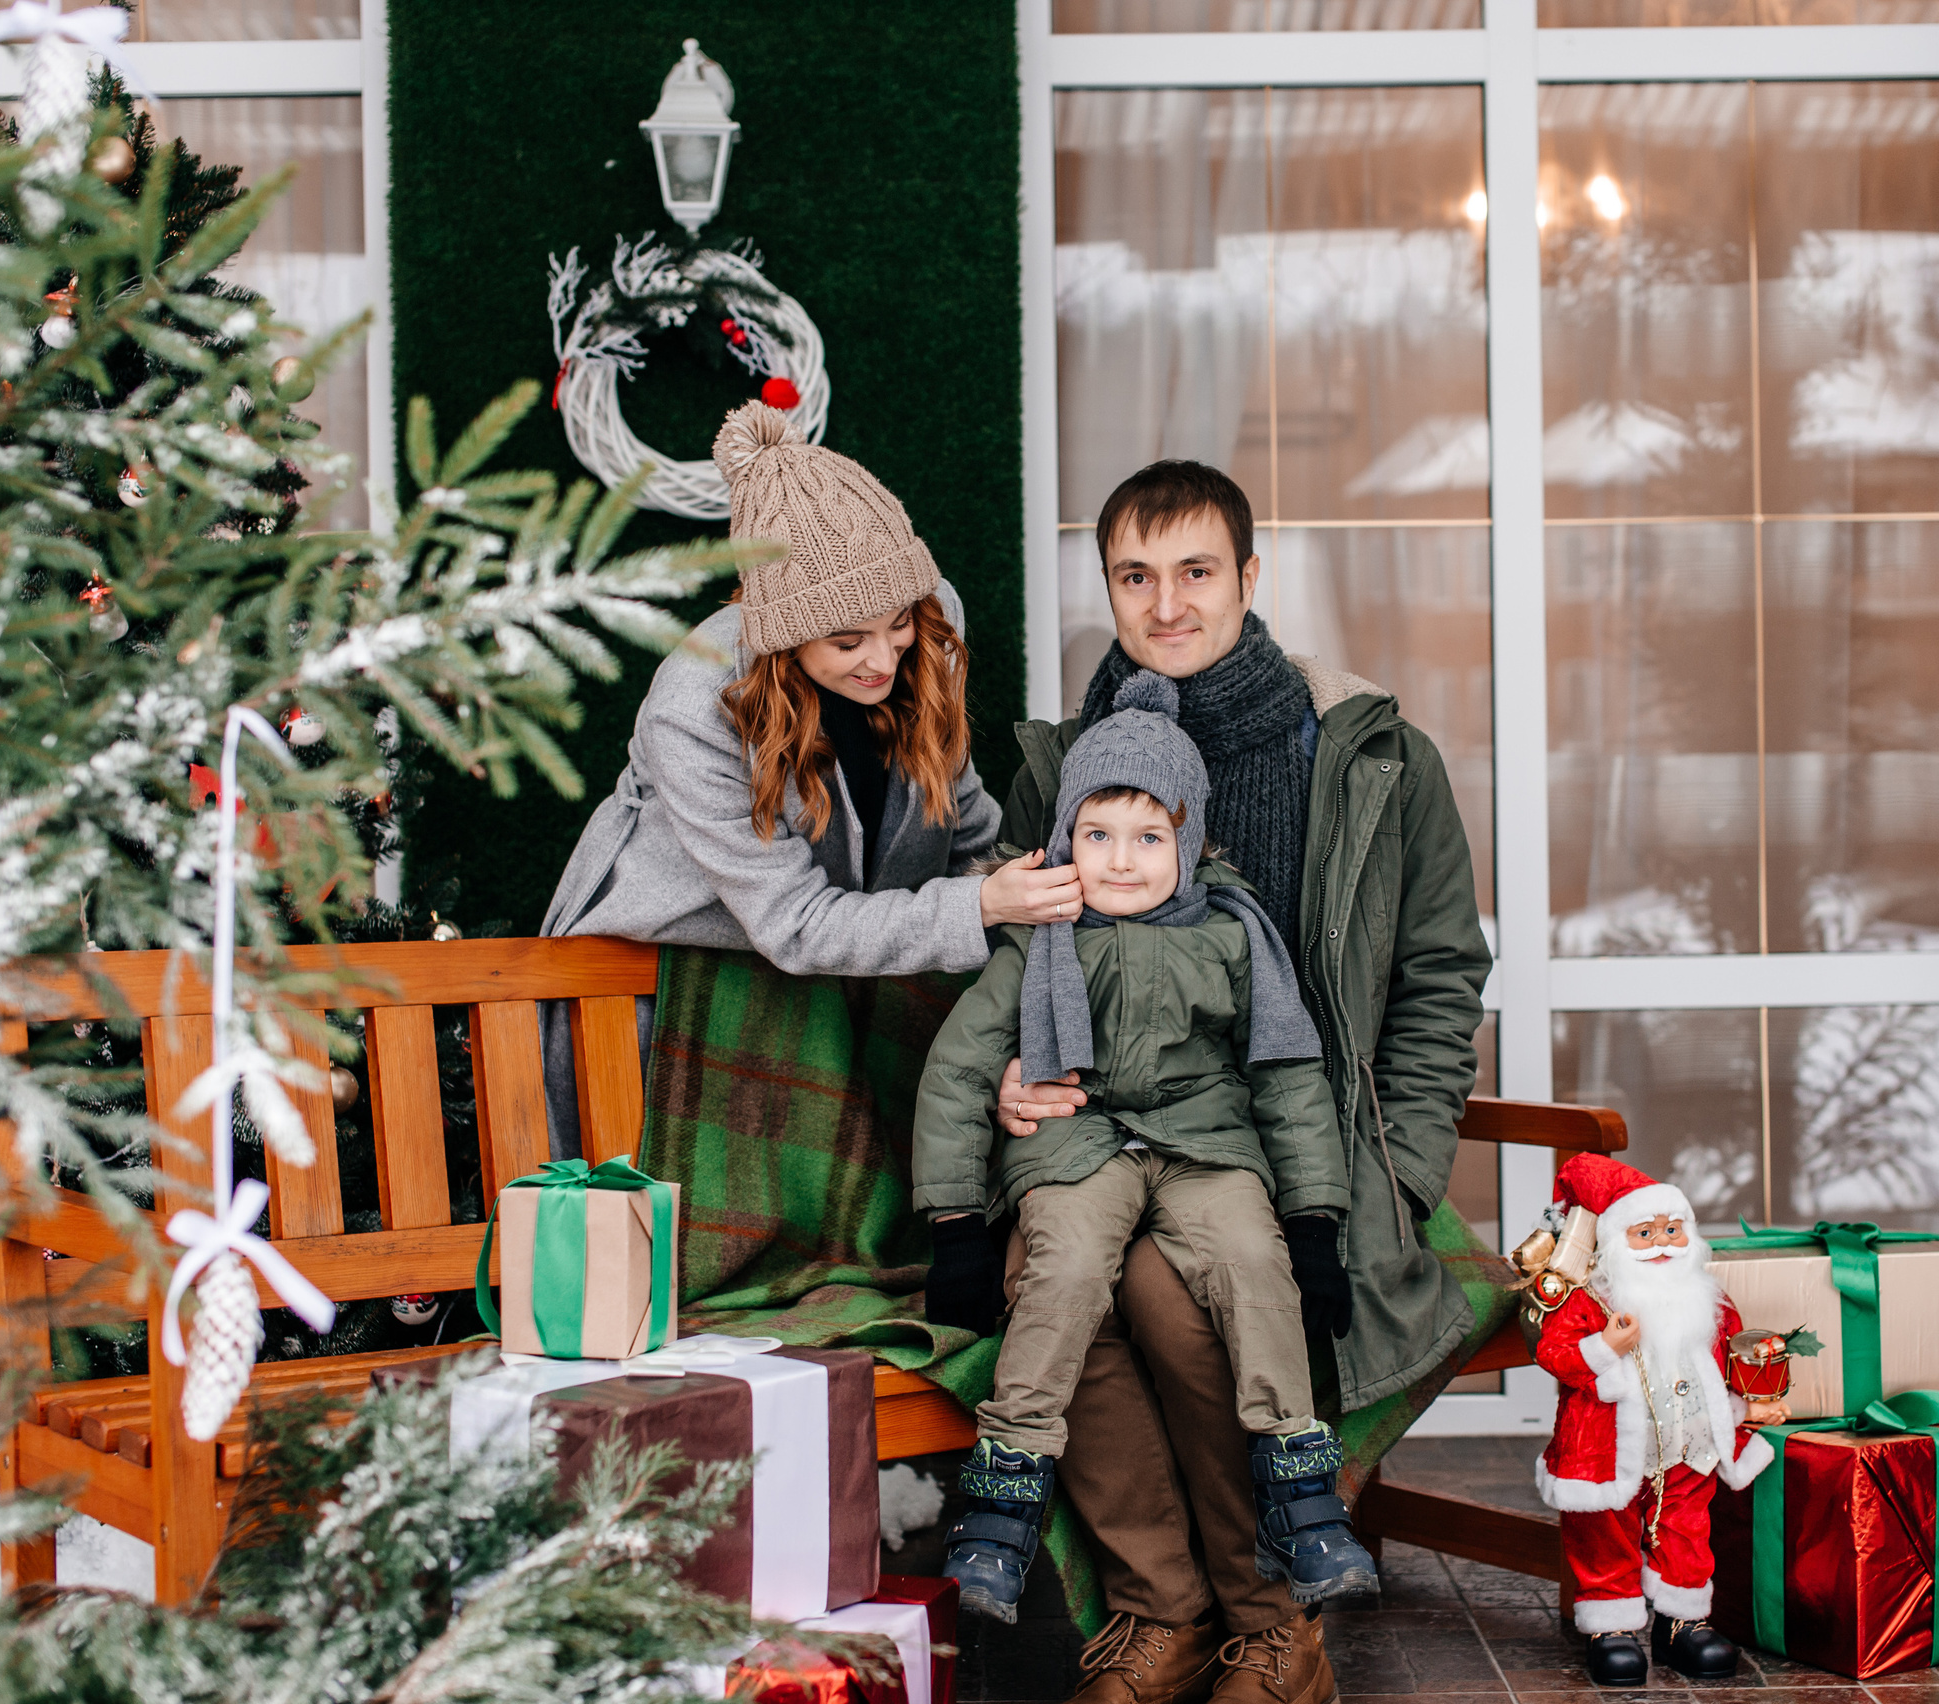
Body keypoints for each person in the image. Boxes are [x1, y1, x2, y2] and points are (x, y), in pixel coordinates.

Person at [992, 461, 1491, 1704]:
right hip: (1105, 1134)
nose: (1166, 604)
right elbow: (1014, 966)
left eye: (1196, 571)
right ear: (1106, 588)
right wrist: (1010, 1075)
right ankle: (1162, 1610)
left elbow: (1440, 976)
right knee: (1050, 1277)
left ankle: (1273, 1626)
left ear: (1249, 576)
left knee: (1170, 1298)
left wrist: (1402, 1169)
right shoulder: (1057, 770)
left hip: (1305, 1144)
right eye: (1135, 576)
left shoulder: (1370, 755)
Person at [910, 672, 1374, 1626]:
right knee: (1066, 1267)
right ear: (1063, 840)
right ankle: (1003, 1502)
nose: (1121, 862)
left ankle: (1300, 1492)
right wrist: (955, 1225)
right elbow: (958, 1070)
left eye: (1149, 837)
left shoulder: (1232, 937)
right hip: (1074, 1143)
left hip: (1205, 1142)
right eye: (1098, 835)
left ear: (1190, 842)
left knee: (1252, 1262)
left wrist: (1313, 1220)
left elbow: (1287, 1078)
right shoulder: (1039, 938)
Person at [537, 401, 1079, 1152]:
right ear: (783, 638)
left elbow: (964, 826)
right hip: (666, 977)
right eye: (848, 641)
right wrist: (980, 905)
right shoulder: (695, 705)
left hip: (836, 968)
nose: (883, 660)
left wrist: (1026, 883)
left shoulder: (930, 631)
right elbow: (793, 923)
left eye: (897, 623)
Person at [1529, 1154, 1786, 1686]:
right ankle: (1612, 1627)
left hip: (1689, 1443)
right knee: (1606, 1532)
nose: (1663, 1243)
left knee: (1687, 1529)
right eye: (1645, 1233)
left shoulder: (1707, 1296)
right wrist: (1605, 1346)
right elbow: (1554, 1353)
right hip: (1607, 1449)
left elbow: (1728, 1356)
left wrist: (1750, 1402)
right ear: (1616, 1239)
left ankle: (1682, 1622)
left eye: (1673, 1229)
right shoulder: (1587, 1298)